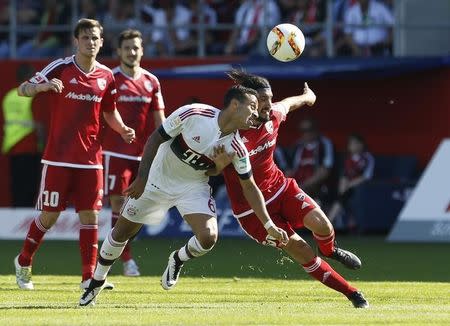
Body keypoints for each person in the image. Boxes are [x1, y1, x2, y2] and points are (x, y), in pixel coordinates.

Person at [79, 85, 289, 306]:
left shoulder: (237, 147)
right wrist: (142, 178)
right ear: (235, 105)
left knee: (208, 237)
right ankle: (96, 281)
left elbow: (250, 187)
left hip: (192, 186)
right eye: (253, 107)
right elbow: (154, 139)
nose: (256, 114)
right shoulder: (194, 113)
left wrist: (268, 225)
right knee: (121, 233)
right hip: (156, 180)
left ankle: (178, 259)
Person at [216, 69, 369, 308]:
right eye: (262, 101)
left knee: (323, 224)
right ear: (248, 103)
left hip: (280, 187)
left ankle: (330, 251)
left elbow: (288, 103)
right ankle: (353, 294)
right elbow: (212, 169)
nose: (268, 105)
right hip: (251, 211)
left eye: (269, 98)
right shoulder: (229, 134)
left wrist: (308, 97)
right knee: (302, 250)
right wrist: (216, 163)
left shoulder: (273, 115)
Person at [13, 18, 136, 291]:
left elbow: (109, 112)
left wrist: (122, 128)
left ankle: (88, 278)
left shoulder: (107, 76)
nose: (90, 42)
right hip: (58, 158)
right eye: (85, 38)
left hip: (91, 160)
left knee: (90, 216)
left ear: (101, 42)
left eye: (95, 38)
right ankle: (23, 261)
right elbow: (23, 89)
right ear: (75, 41)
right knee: (49, 216)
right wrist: (42, 87)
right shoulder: (61, 67)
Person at [102, 29, 166, 277]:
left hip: (143, 156)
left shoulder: (151, 81)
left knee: (135, 207)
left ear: (142, 50)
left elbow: (160, 120)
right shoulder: (111, 78)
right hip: (114, 153)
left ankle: (120, 251)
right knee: (118, 203)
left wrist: (167, 146)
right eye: (127, 47)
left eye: (136, 47)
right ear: (118, 51)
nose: (132, 52)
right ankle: (126, 260)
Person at [2, 63, 44, 207]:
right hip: (30, 147)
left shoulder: (8, 97)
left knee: (16, 187)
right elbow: (39, 125)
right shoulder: (31, 96)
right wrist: (43, 145)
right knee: (30, 188)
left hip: (12, 146)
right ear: (29, 77)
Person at [328, 133, 375, 229]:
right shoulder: (347, 159)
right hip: (347, 187)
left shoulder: (367, 157)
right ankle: (340, 220)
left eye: (355, 144)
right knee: (341, 194)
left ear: (361, 145)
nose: (352, 146)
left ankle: (329, 221)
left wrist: (349, 185)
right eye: (350, 144)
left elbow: (366, 176)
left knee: (343, 196)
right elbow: (344, 175)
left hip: (359, 186)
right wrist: (342, 187)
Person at [290, 117, 336, 209]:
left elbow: (325, 170)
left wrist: (304, 185)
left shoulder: (325, 143)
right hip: (298, 185)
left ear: (315, 130)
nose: (306, 134)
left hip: (318, 186)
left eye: (309, 130)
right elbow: (290, 170)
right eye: (303, 131)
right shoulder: (297, 146)